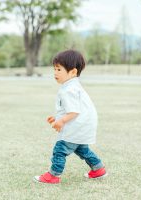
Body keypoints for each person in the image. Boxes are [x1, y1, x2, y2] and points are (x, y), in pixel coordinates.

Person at [34, 49, 107, 184]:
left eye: (59, 69)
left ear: (72, 72)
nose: (55, 73)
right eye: (54, 69)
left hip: (76, 127)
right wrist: (57, 119)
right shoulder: (73, 86)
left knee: (60, 150)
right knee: (82, 149)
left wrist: (61, 121)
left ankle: (53, 175)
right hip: (82, 126)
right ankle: (98, 169)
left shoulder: (68, 89)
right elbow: (70, 110)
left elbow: (74, 112)